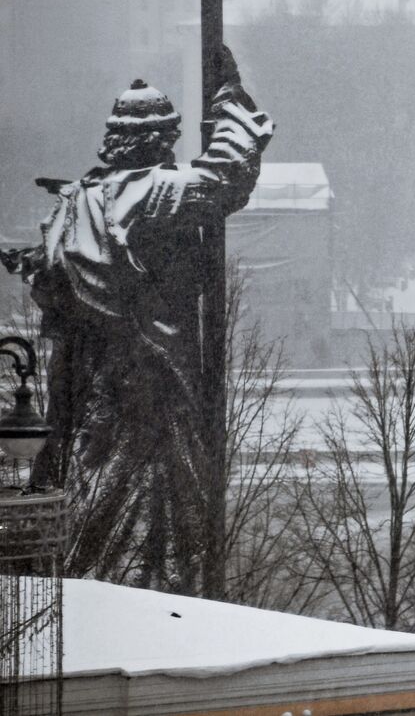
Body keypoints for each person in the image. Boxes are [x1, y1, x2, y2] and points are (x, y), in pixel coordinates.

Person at [2, 46, 272, 587]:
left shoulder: (79, 199)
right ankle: (146, 592)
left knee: (92, 484)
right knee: (153, 497)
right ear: (161, 140)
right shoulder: (155, 192)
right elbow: (227, 179)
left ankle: (93, 582)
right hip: (148, 375)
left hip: (85, 382)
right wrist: (232, 103)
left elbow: (49, 270)